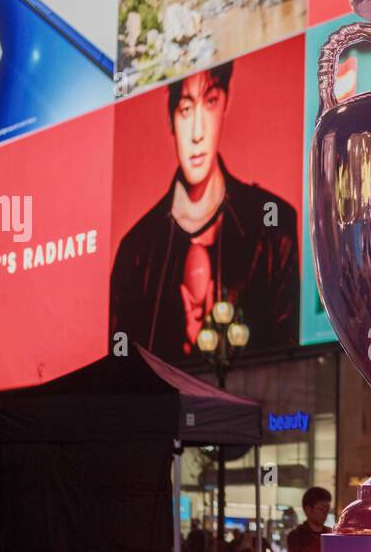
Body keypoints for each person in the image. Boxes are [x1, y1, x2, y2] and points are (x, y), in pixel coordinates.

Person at [109, 62, 298, 360]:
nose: (197, 132)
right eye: (185, 110)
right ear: (171, 118)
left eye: (209, 102)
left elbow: (291, 361)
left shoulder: (274, 226)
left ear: (225, 102)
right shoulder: (136, 251)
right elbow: (120, 375)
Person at [286, 487, 332, 552]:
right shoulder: (296, 535)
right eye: (322, 509)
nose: (325, 513)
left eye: (327, 509)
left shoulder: (330, 533)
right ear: (308, 509)